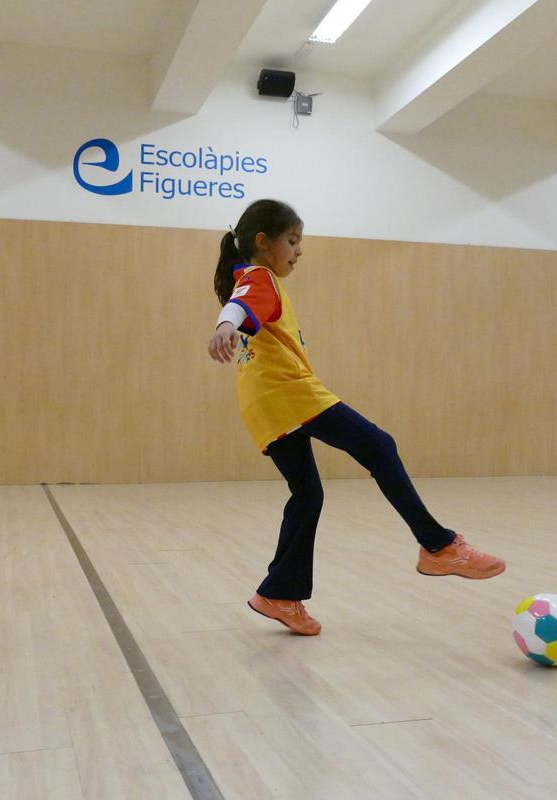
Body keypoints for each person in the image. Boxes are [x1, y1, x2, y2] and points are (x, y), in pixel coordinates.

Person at [206, 200, 505, 637]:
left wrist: (229, 323)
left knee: (307, 494)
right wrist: (225, 325)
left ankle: (279, 593)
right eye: (292, 241)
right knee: (378, 446)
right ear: (263, 242)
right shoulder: (260, 277)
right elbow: (239, 306)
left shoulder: (249, 277)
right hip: (287, 392)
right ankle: (438, 545)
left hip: (262, 404)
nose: (299, 251)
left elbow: (241, 302)